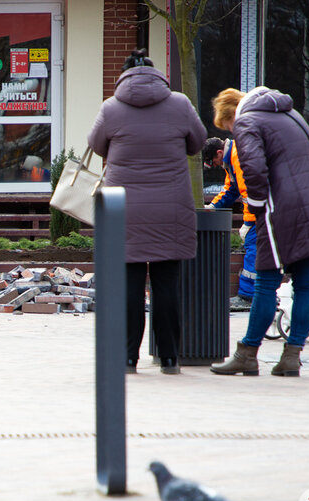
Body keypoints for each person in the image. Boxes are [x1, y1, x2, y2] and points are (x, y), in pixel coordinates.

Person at [209, 87, 309, 377]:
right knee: (306, 283)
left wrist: (256, 208)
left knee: (265, 283)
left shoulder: (247, 121)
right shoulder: (290, 114)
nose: (231, 132)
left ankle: (248, 354)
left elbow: (254, 171)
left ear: (232, 115)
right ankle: (292, 356)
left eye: (227, 127)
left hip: (281, 210)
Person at [88, 49, 207, 375]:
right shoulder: (181, 103)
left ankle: (128, 359)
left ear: (124, 75)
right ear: (157, 75)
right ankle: (170, 358)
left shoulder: (111, 107)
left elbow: (96, 145)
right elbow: (199, 142)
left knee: (130, 286)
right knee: (166, 286)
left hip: (123, 210)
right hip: (170, 209)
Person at [202, 137, 256, 310]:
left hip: (261, 213)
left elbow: (249, 193)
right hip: (265, 210)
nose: (215, 165)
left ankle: (248, 296)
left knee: (253, 246)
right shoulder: (232, 158)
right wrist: (212, 206)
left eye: (213, 161)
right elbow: (231, 189)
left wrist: (248, 223)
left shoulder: (238, 155)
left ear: (219, 152)